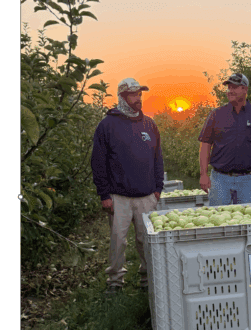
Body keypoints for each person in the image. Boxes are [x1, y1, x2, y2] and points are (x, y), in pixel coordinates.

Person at [91, 77, 164, 293]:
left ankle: (147, 279)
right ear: (122, 97)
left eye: (140, 94)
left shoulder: (149, 124)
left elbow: (157, 158)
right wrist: (104, 194)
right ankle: (115, 281)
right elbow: (98, 162)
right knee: (118, 241)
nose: (138, 99)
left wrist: (158, 189)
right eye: (133, 95)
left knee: (146, 241)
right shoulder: (107, 125)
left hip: (146, 196)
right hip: (118, 196)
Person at [198, 73, 251, 206]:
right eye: (229, 87)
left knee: (245, 221)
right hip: (220, 179)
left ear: (245, 89)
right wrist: (203, 174)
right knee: (217, 219)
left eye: (234, 87)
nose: (230, 91)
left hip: (248, 180)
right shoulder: (216, 114)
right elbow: (205, 144)